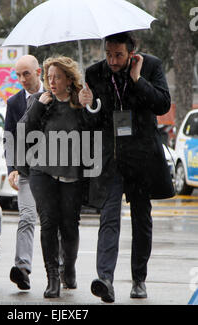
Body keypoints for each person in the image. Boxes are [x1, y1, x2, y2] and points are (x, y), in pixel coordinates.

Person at [79, 32, 175, 303]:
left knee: (141, 220)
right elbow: (90, 125)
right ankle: (105, 279)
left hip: (142, 159)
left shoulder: (151, 66)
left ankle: (138, 279)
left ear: (132, 51)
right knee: (109, 217)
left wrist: (137, 79)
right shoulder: (94, 73)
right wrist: (86, 107)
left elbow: (162, 104)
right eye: (108, 54)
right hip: (112, 159)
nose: (112, 60)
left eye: (118, 55)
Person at [19, 56, 90, 298]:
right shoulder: (42, 101)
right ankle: (52, 278)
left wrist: (87, 105)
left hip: (71, 173)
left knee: (69, 225)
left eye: (57, 77)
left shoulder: (80, 102)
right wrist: (38, 105)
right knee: (48, 223)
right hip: (43, 171)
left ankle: (67, 267)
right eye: (49, 77)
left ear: (69, 79)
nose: (52, 81)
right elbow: (24, 129)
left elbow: (95, 129)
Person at [4, 54, 43, 290]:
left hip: (51, 170)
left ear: (38, 72)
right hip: (27, 171)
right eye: (18, 75)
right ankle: (22, 269)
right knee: (27, 217)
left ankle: (60, 268)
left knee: (53, 222)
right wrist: (12, 169)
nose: (22, 79)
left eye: (26, 73)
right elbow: (9, 137)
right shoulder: (14, 103)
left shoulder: (54, 96)